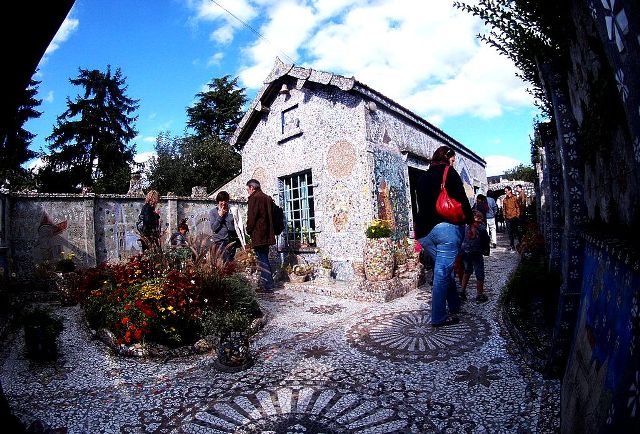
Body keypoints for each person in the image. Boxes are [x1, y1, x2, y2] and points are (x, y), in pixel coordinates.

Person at [415, 146, 473, 327]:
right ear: (448, 158)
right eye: (453, 159)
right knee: (441, 273)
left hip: (424, 234)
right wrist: (471, 222)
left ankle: (454, 305)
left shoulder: (422, 178)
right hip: (446, 230)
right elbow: (462, 200)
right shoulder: (450, 173)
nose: (453, 162)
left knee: (444, 269)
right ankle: (438, 317)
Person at [245, 179, 276, 292]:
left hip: (259, 234)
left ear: (252, 188)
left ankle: (268, 285)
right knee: (264, 258)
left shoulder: (254, 198)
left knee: (262, 259)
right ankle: (267, 284)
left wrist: (248, 229)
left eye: (248, 189)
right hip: (267, 234)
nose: (248, 191)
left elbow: (252, 217)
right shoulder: (267, 198)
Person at [460, 210, 490, 303]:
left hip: (465, 251)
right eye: (480, 217)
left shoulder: (465, 226)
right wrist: (485, 250)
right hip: (476, 252)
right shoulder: (481, 227)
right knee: (479, 272)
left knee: (467, 270)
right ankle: (479, 295)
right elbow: (486, 240)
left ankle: (462, 291)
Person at [210, 191, 239, 263]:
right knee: (224, 263)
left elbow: (235, 226)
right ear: (218, 201)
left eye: (225, 200)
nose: (223, 202)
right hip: (220, 241)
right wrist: (220, 216)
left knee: (231, 263)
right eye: (221, 201)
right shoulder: (213, 212)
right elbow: (214, 228)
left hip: (231, 241)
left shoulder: (232, 211)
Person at [503, 186, 521, 251]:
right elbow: (504, 209)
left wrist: (517, 215)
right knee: (510, 233)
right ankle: (512, 245)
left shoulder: (514, 198)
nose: (505, 192)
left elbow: (518, 207)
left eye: (506, 191)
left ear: (510, 191)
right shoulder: (504, 200)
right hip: (508, 218)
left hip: (514, 217)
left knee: (516, 231)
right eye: (505, 191)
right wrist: (504, 216)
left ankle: (520, 244)